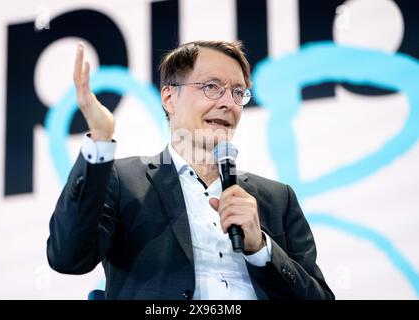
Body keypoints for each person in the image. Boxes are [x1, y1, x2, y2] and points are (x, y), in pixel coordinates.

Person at [46, 40, 334, 300]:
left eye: (238, 92)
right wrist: (100, 138)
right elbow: (68, 258)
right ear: (170, 98)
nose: (227, 103)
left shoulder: (277, 199)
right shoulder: (125, 180)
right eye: (212, 87)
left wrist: (260, 249)